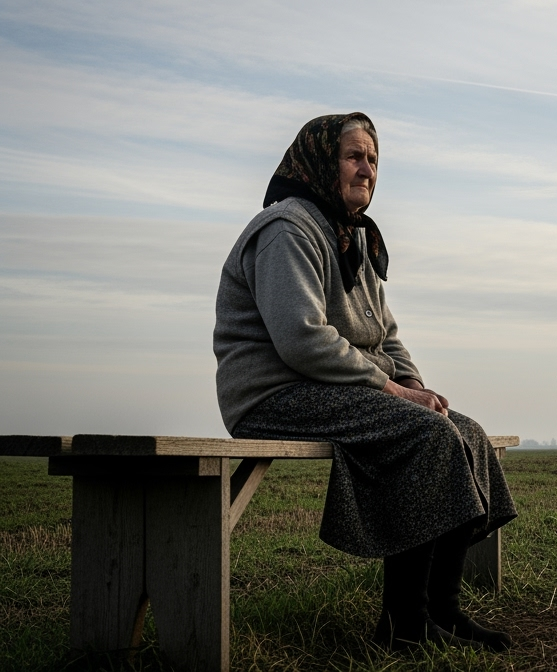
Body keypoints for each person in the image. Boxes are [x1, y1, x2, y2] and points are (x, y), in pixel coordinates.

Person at [213, 113, 516, 651]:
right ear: (320, 162)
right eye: (354, 156)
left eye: (373, 159)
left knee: (461, 430)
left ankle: (442, 614)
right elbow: (302, 338)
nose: (367, 169)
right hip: (275, 393)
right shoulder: (289, 228)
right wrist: (396, 394)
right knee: (425, 437)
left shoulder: (355, 238)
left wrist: (419, 389)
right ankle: (403, 628)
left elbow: (386, 335)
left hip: (333, 390)